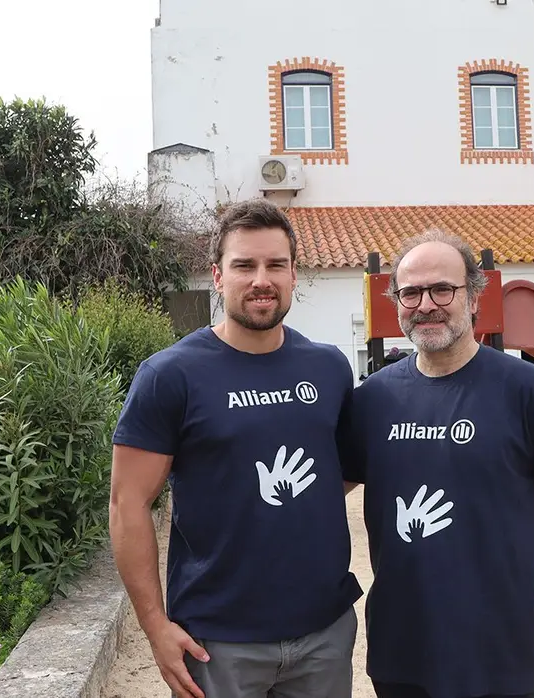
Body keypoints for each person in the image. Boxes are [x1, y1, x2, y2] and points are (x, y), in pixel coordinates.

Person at [108, 198, 363, 698]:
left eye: (276, 265)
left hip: (324, 632)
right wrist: (155, 626)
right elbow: (127, 504)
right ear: (218, 276)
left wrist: (286, 502)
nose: (261, 279)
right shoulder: (169, 375)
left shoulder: (329, 368)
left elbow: (343, 470)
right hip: (217, 640)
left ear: (294, 275)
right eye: (244, 265)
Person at [342, 230, 534, 698]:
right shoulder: (372, 400)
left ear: (474, 296)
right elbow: (321, 493)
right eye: (411, 292)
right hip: (402, 643)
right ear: (396, 302)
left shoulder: (528, 389)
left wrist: (506, 564)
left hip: (498, 644)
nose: (426, 305)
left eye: (443, 289)